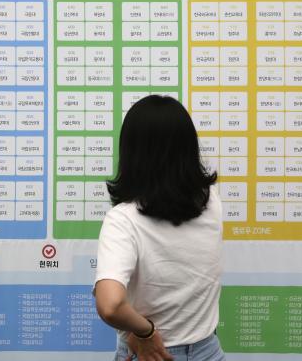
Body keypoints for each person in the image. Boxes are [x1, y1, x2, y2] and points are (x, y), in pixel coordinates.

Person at [94, 95, 224, 361]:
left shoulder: (123, 220)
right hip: (208, 351)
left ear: (131, 152)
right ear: (188, 149)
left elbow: (110, 305)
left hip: (151, 354)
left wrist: (145, 332)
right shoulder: (211, 202)